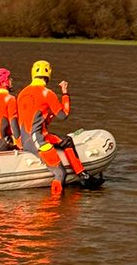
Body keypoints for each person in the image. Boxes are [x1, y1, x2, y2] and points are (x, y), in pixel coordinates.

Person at [16, 59, 86, 195]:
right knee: (60, 173)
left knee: (67, 141)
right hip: (38, 141)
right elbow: (64, 115)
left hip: (25, 140)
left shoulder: (22, 93)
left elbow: (32, 119)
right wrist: (65, 93)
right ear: (48, 74)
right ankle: (53, 208)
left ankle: (83, 175)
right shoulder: (47, 93)